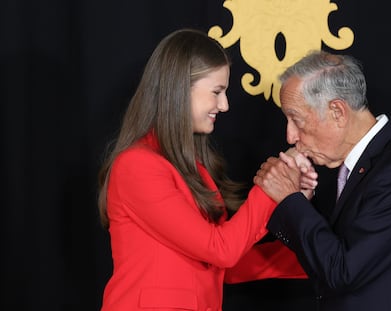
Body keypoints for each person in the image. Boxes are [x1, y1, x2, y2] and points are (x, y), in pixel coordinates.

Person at [97, 28, 316, 311]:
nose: (224, 105)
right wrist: (273, 186)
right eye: (217, 92)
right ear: (178, 89)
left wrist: (320, 251)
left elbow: (228, 263)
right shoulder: (136, 165)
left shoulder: (195, 170)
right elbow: (221, 250)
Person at [254, 50, 391, 310]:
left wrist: (290, 200)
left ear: (338, 111)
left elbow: (342, 272)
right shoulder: (356, 165)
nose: (290, 135)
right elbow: (328, 256)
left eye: (296, 119)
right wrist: (301, 201)